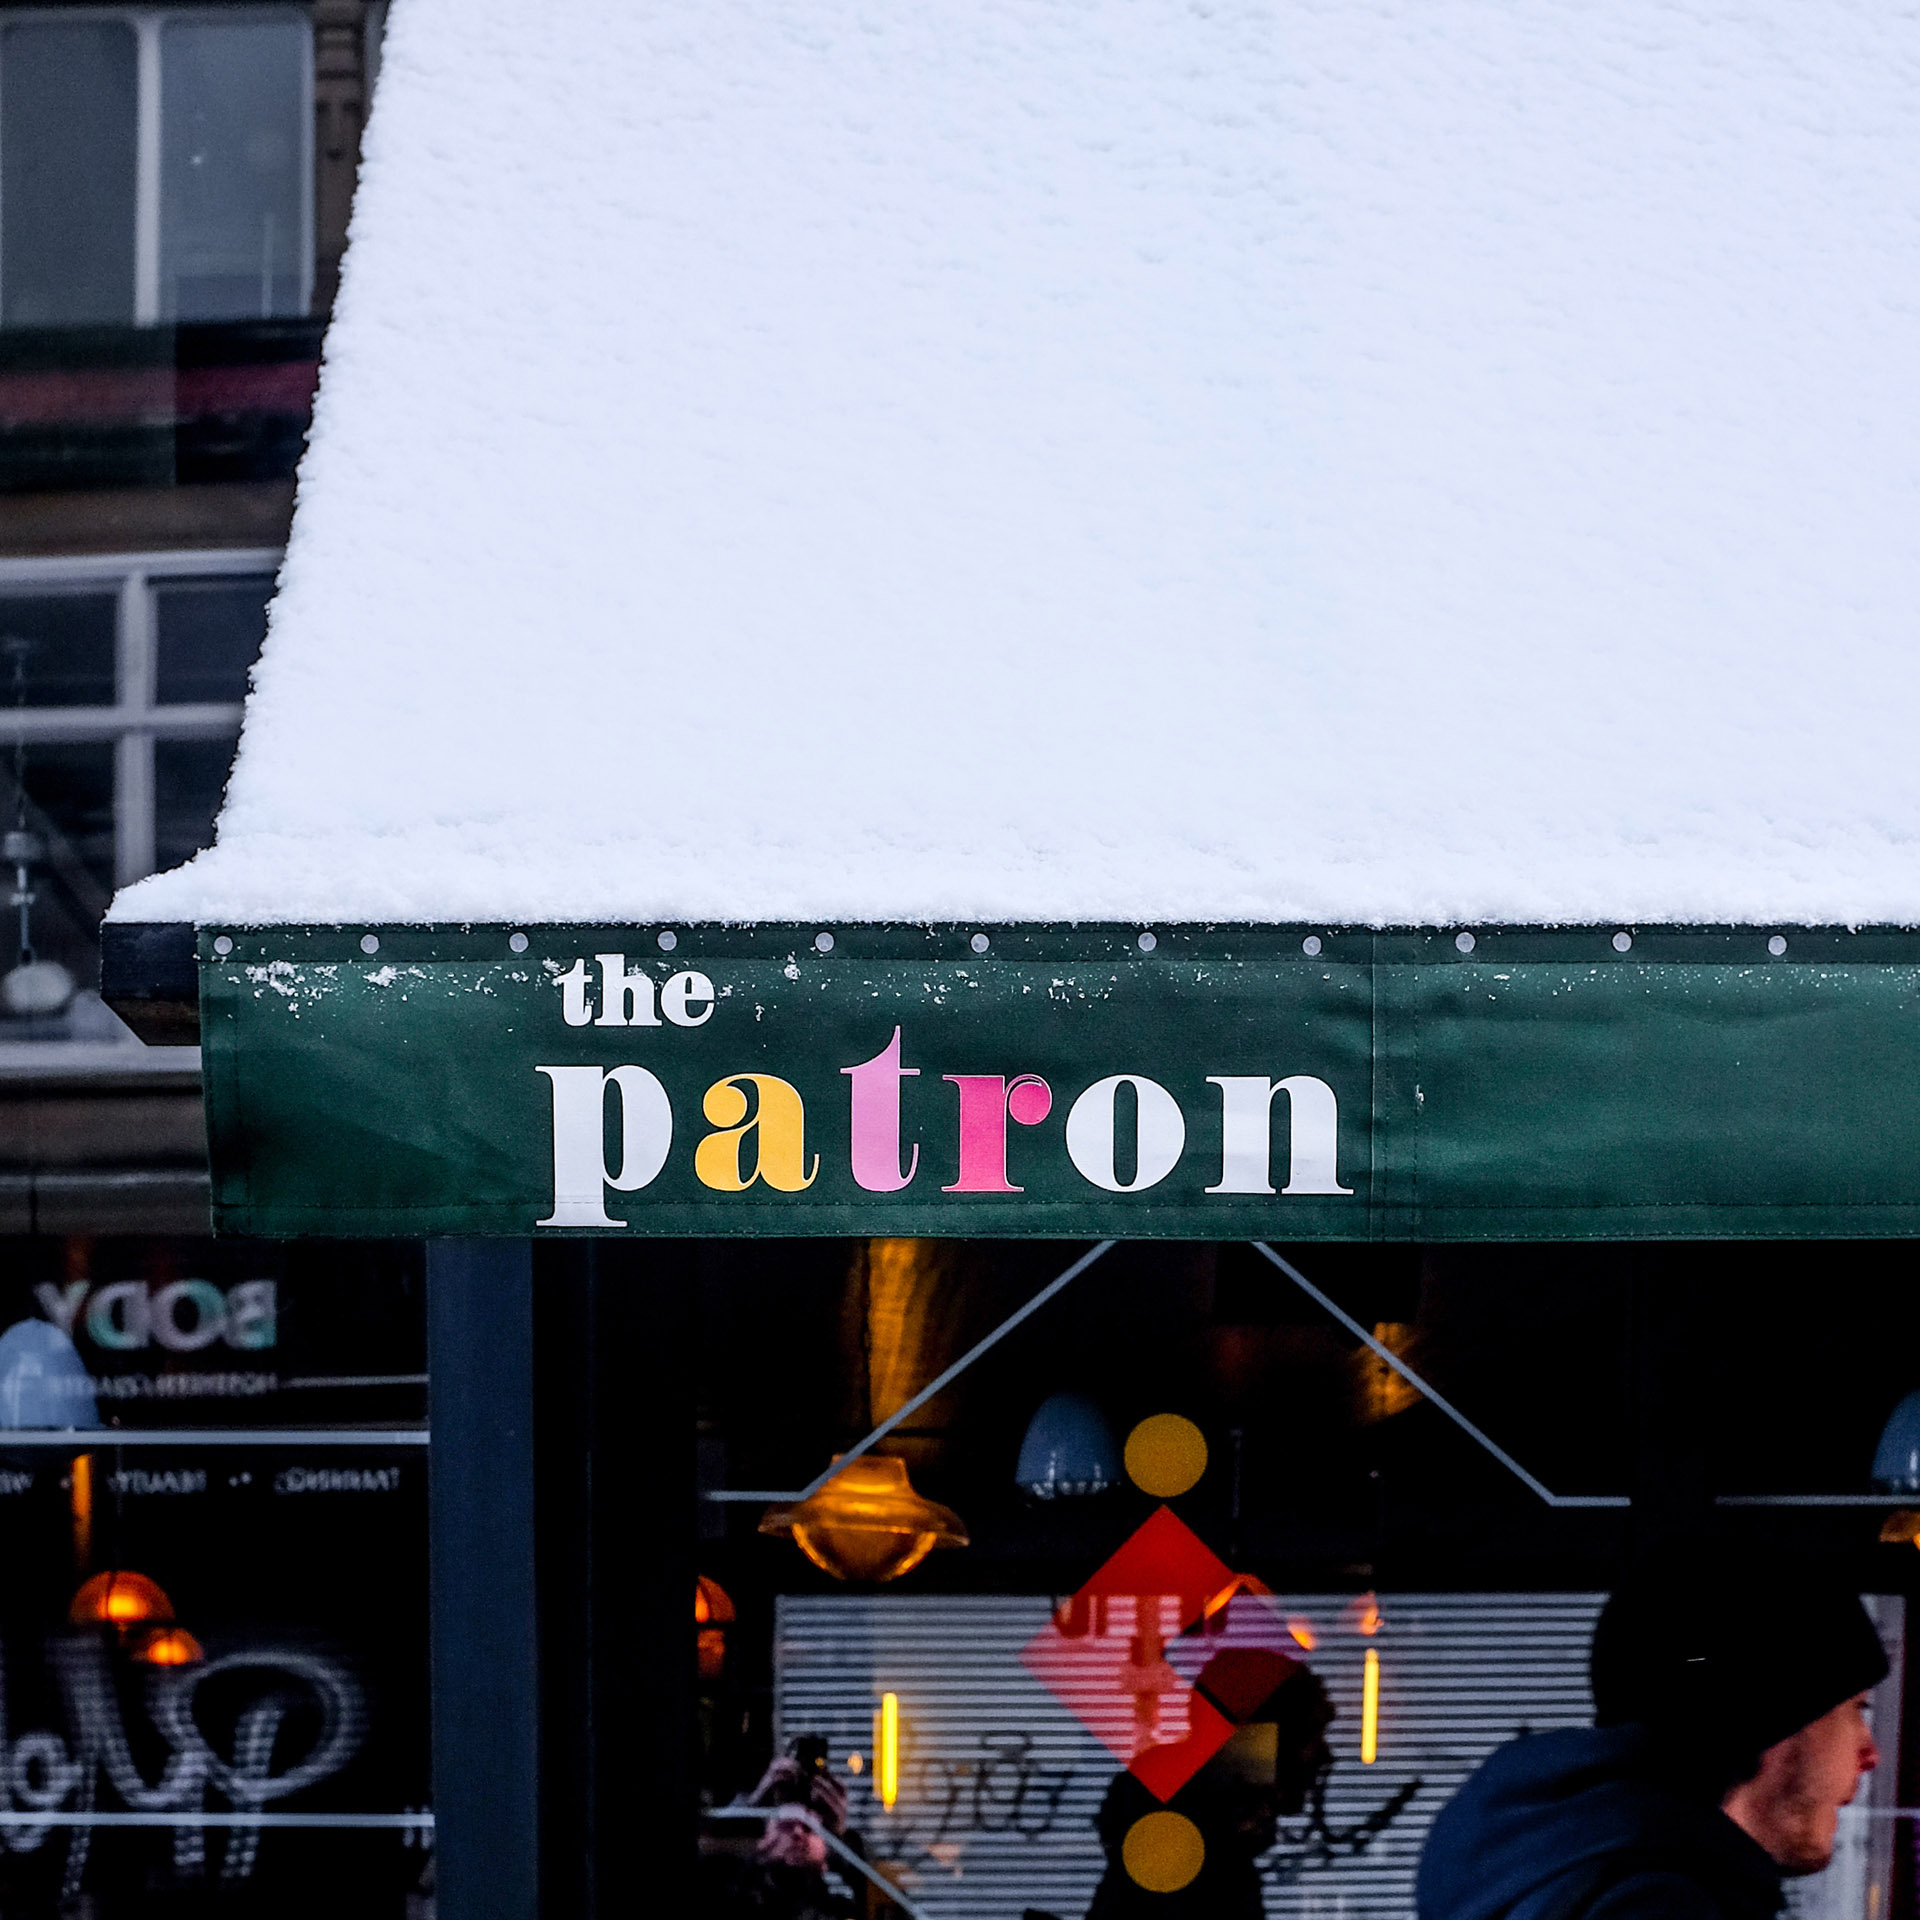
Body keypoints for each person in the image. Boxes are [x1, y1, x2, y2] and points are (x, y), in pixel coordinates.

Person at [1417, 1558, 1887, 1920]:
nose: (1870, 1754)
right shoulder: (1656, 1905)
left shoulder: (1560, 1877)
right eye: (1855, 1708)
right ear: (1772, 1716)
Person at [1087, 1653, 1335, 1919]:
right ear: (1256, 1740)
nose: (1324, 1756)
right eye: (1309, 1735)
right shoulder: (1195, 1862)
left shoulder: (1205, 1849)